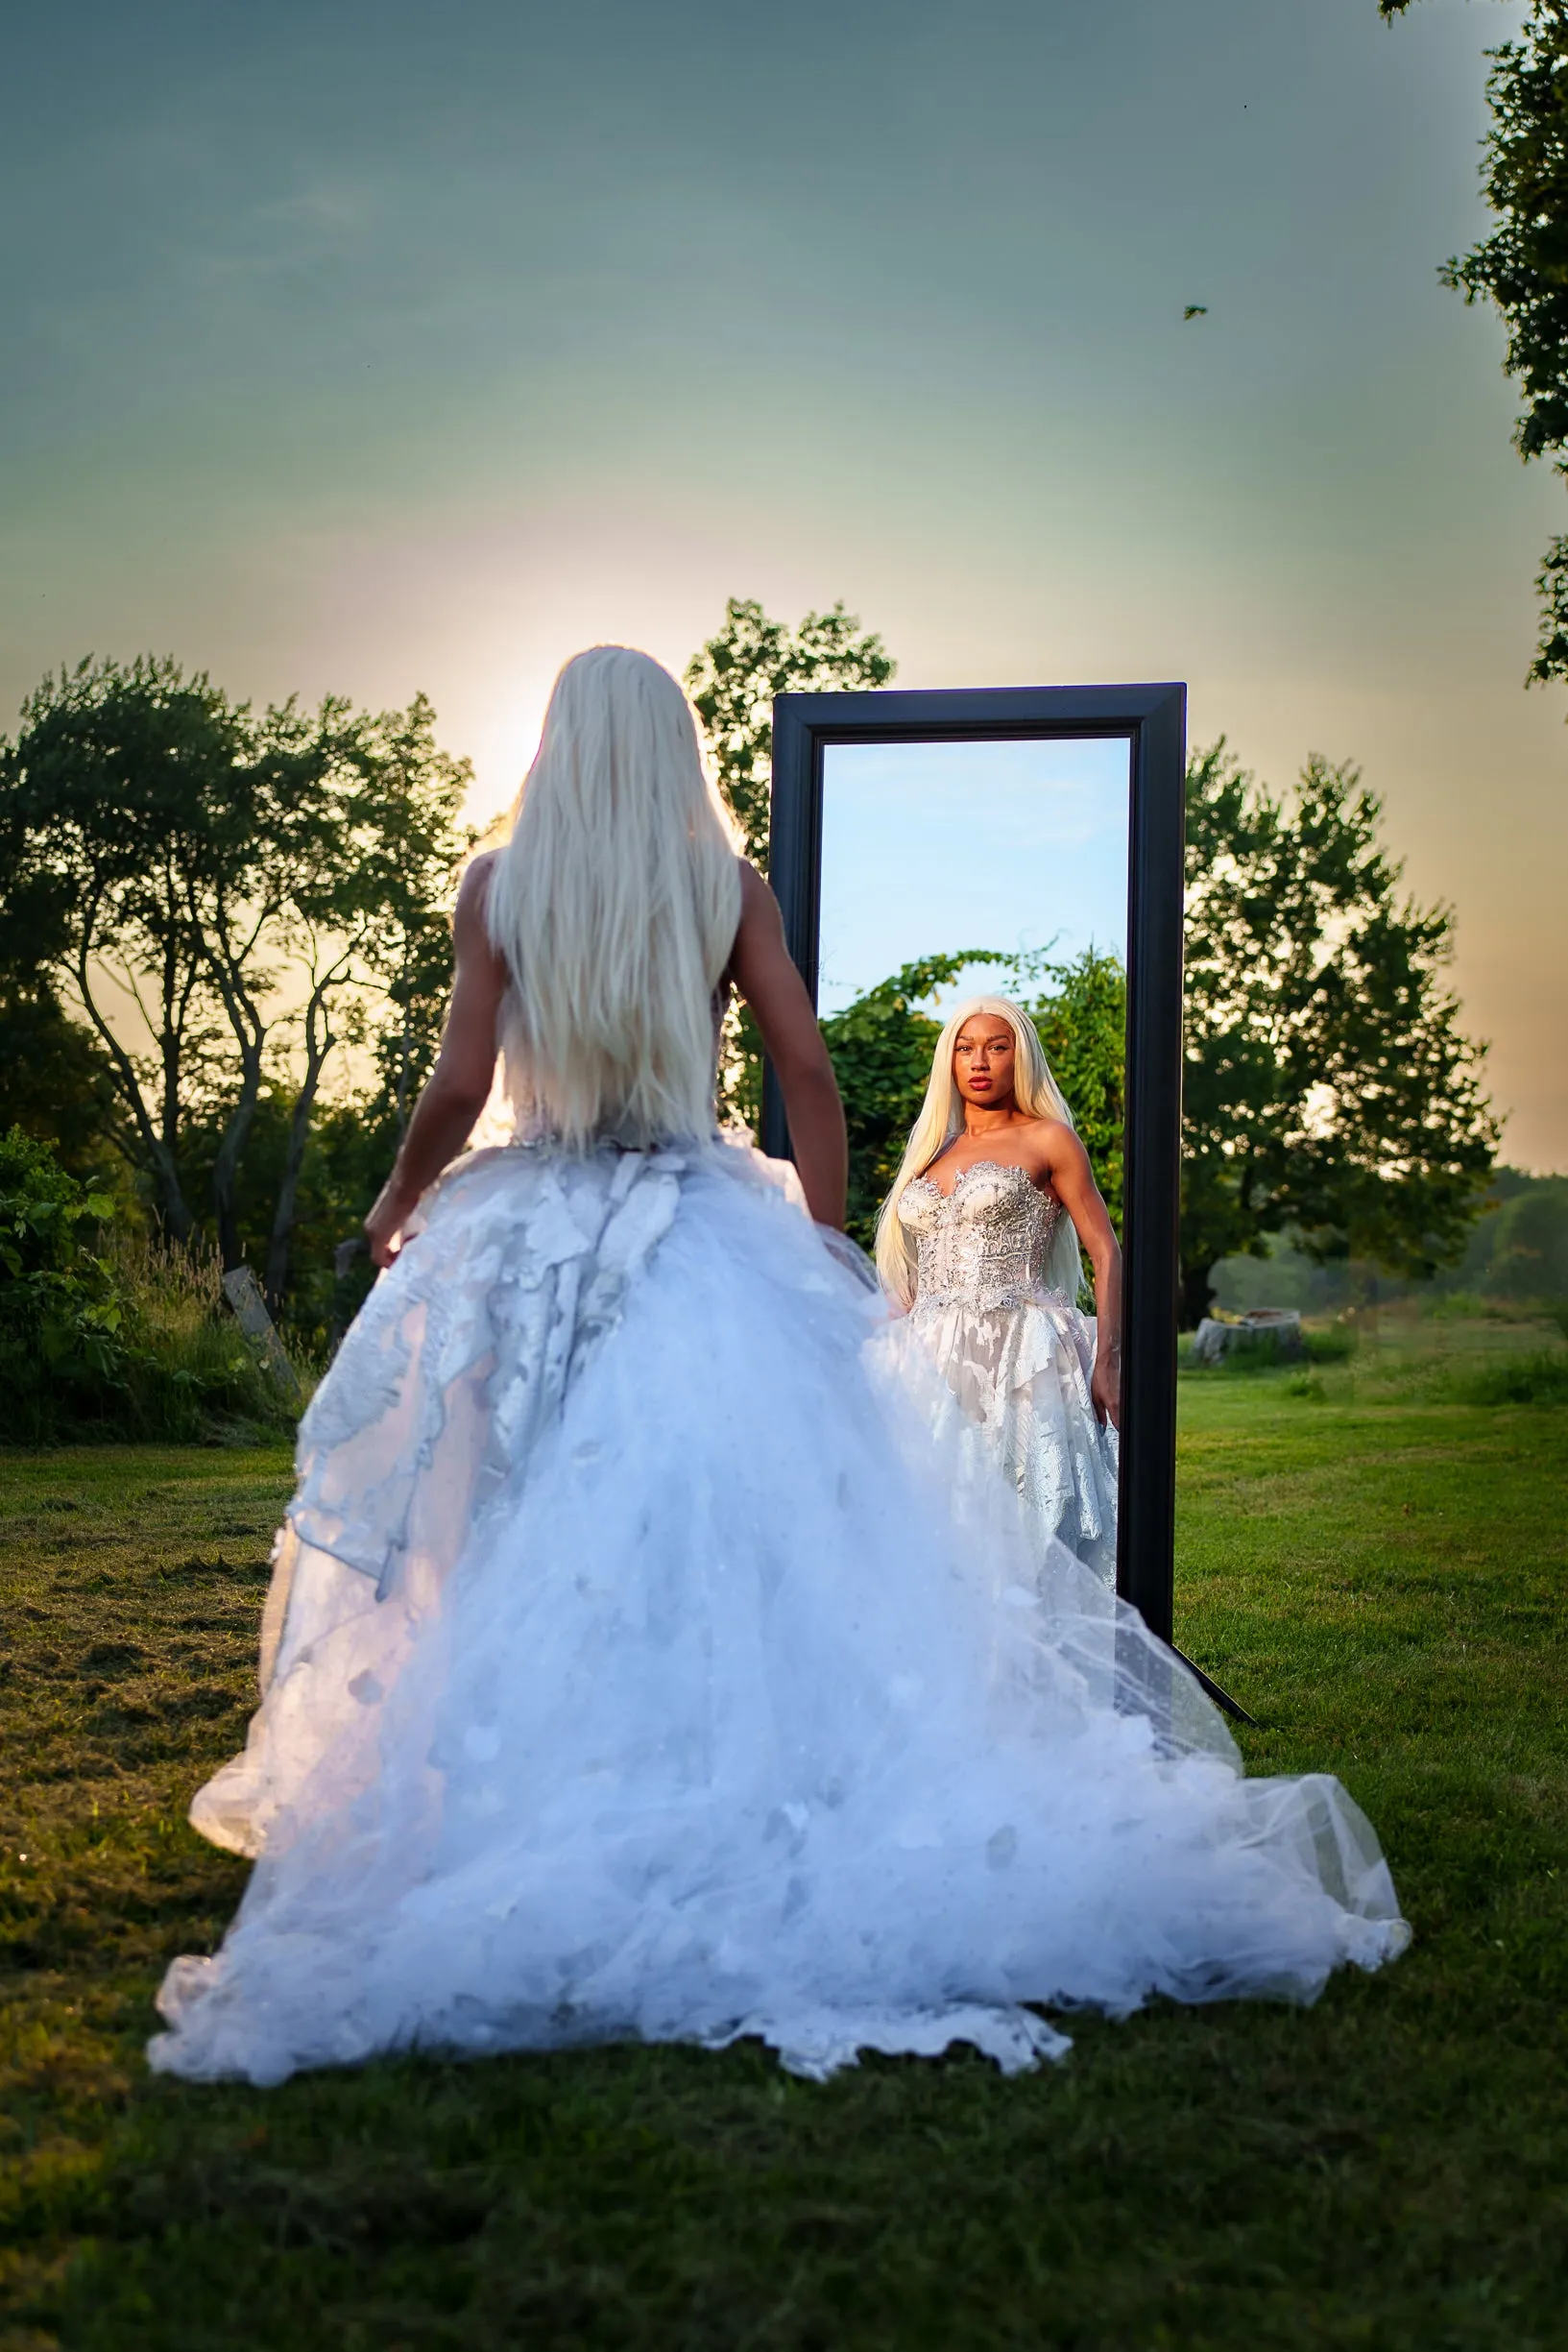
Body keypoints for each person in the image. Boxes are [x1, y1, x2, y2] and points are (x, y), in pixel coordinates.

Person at [149, 645, 1408, 2091]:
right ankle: (717, 1769)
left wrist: (393, 1203)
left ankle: (504, 1780)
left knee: (489, 1507)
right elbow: (804, 1071)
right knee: (720, 1519)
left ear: (561, 742)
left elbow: (454, 1082)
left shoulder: (498, 886)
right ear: (673, 748)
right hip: (696, 1216)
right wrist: (818, 1246)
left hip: (530, 1226)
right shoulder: (724, 886)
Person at [874, 998, 1121, 1586]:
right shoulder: (932, 1150)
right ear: (949, 1062)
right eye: (965, 1048)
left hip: (1021, 1352)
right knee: (930, 1518)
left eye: (997, 1046)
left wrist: (1107, 1360)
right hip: (930, 1356)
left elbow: (1107, 1253)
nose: (979, 1061)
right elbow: (911, 1280)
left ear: (1021, 1057)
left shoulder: (1049, 1140)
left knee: (1024, 1521)